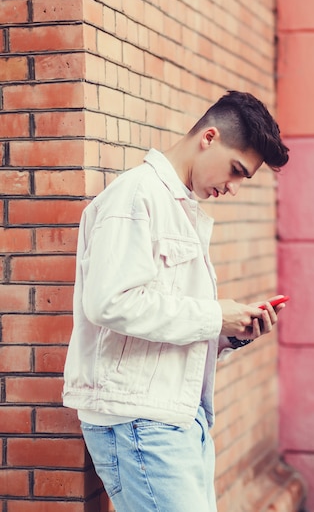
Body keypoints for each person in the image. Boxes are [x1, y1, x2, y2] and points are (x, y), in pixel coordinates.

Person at [63, 90, 289, 512]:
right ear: (209, 137)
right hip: (139, 423)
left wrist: (231, 332)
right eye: (237, 171)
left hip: (178, 419)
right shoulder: (136, 197)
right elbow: (110, 303)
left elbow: (161, 327)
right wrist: (216, 316)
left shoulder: (180, 209)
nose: (234, 188)